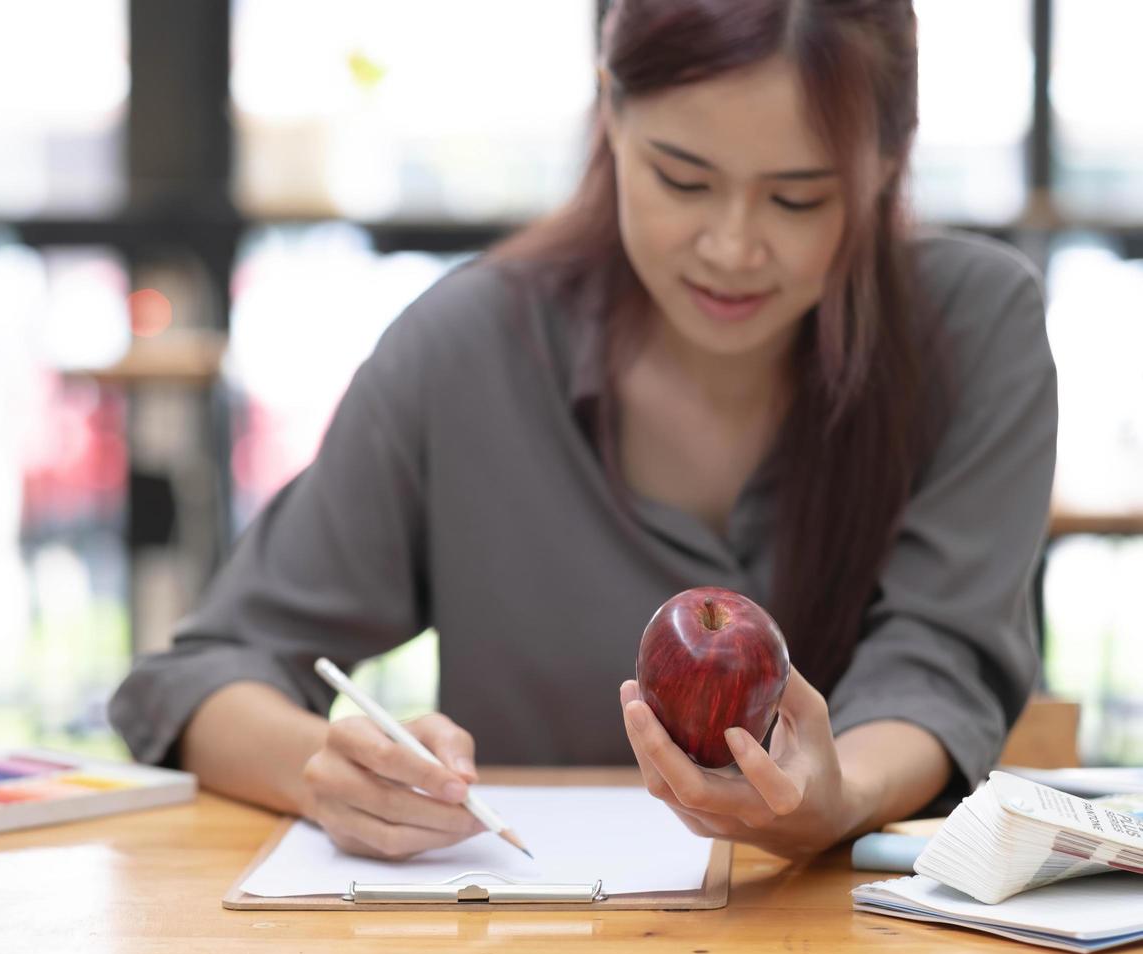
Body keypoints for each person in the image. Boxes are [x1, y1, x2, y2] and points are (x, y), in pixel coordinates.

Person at [110, 0, 1057, 863]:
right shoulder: (470, 347)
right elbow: (199, 675)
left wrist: (838, 794)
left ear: (891, 156)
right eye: (682, 179)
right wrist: (332, 767)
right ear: (611, 112)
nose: (732, 246)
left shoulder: (972, 332)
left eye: (798, 198)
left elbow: (939, 665)